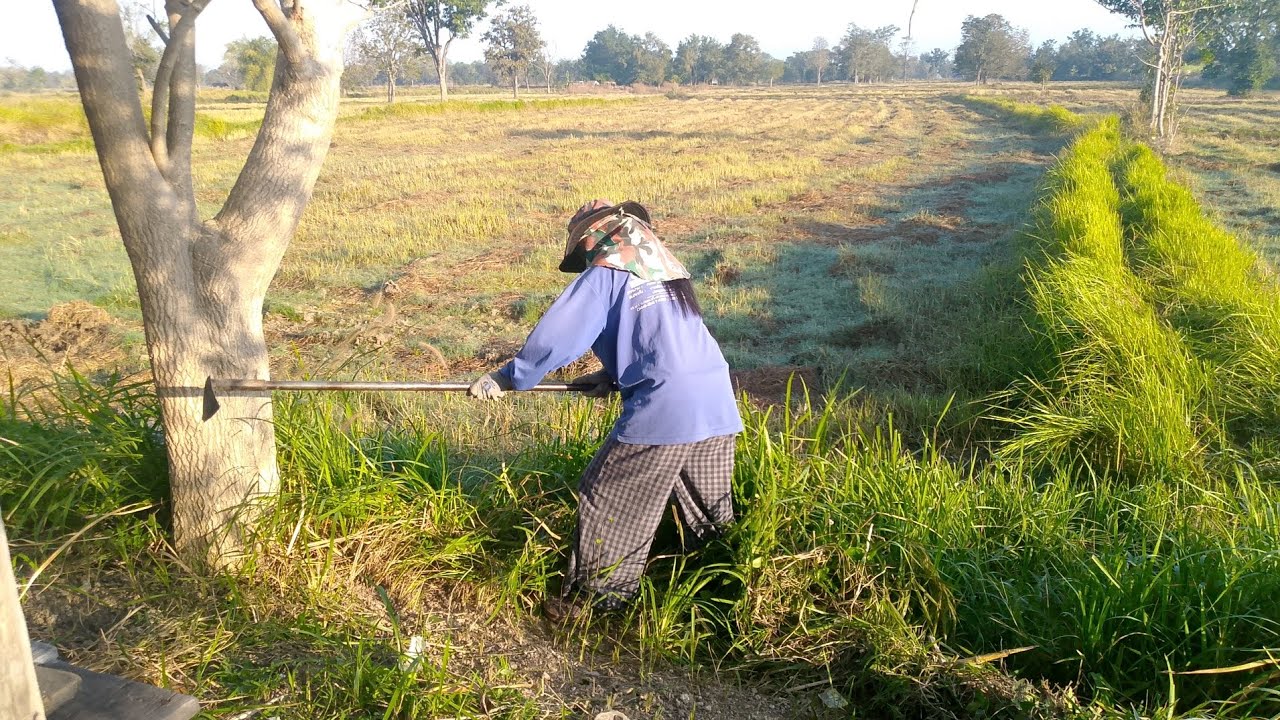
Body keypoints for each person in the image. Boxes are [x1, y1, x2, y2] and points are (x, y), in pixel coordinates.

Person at [468, 199, 743, 621]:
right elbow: (664, 343)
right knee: (708, 512)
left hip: (665, 406)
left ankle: (594, 605)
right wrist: (612, 375)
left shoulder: (607, 273)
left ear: (596, 239)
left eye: (584, 251)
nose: (585, 260)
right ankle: (724, 593)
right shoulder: (667, 273)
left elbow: (559, 335)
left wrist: (510, 376)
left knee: (610, 496)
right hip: (716, 402)